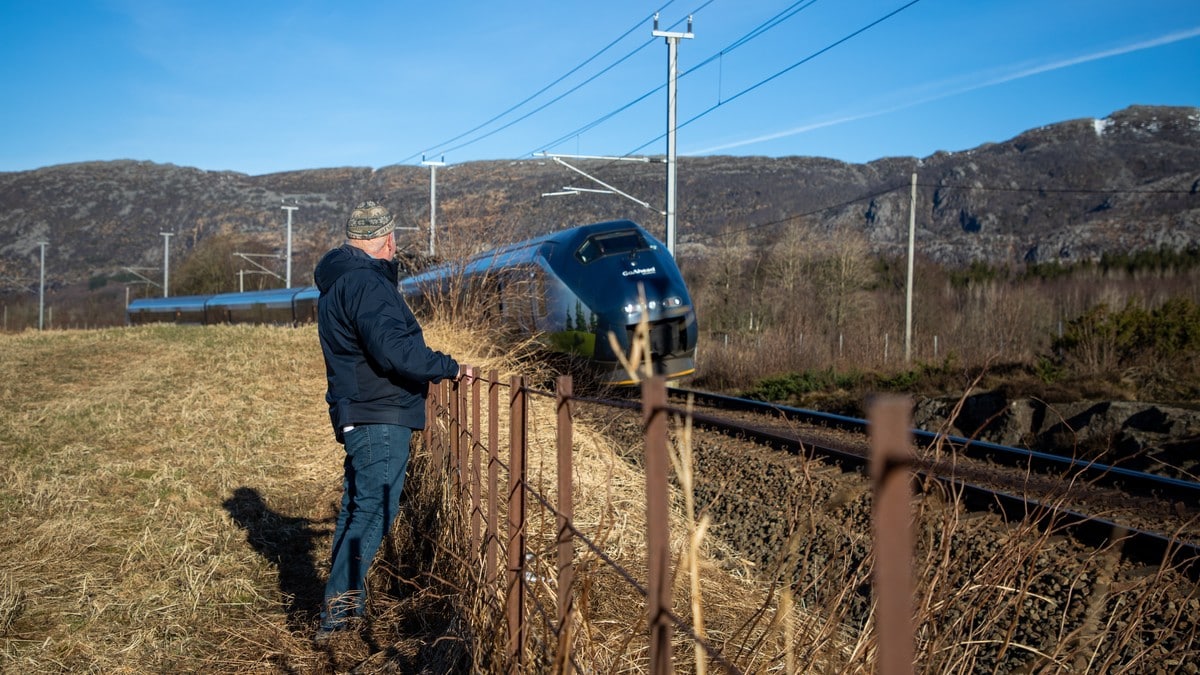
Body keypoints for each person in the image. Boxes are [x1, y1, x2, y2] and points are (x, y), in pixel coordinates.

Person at [312, 199, 471, 639]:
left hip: (360, 411)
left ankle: (341, 607)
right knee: (372, 513)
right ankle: (338, 619)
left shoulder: (338, 283)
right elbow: (394, 351)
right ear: (388, 241)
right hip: (379, 414)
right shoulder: (366, 283)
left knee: (356, 510)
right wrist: (449, 366)